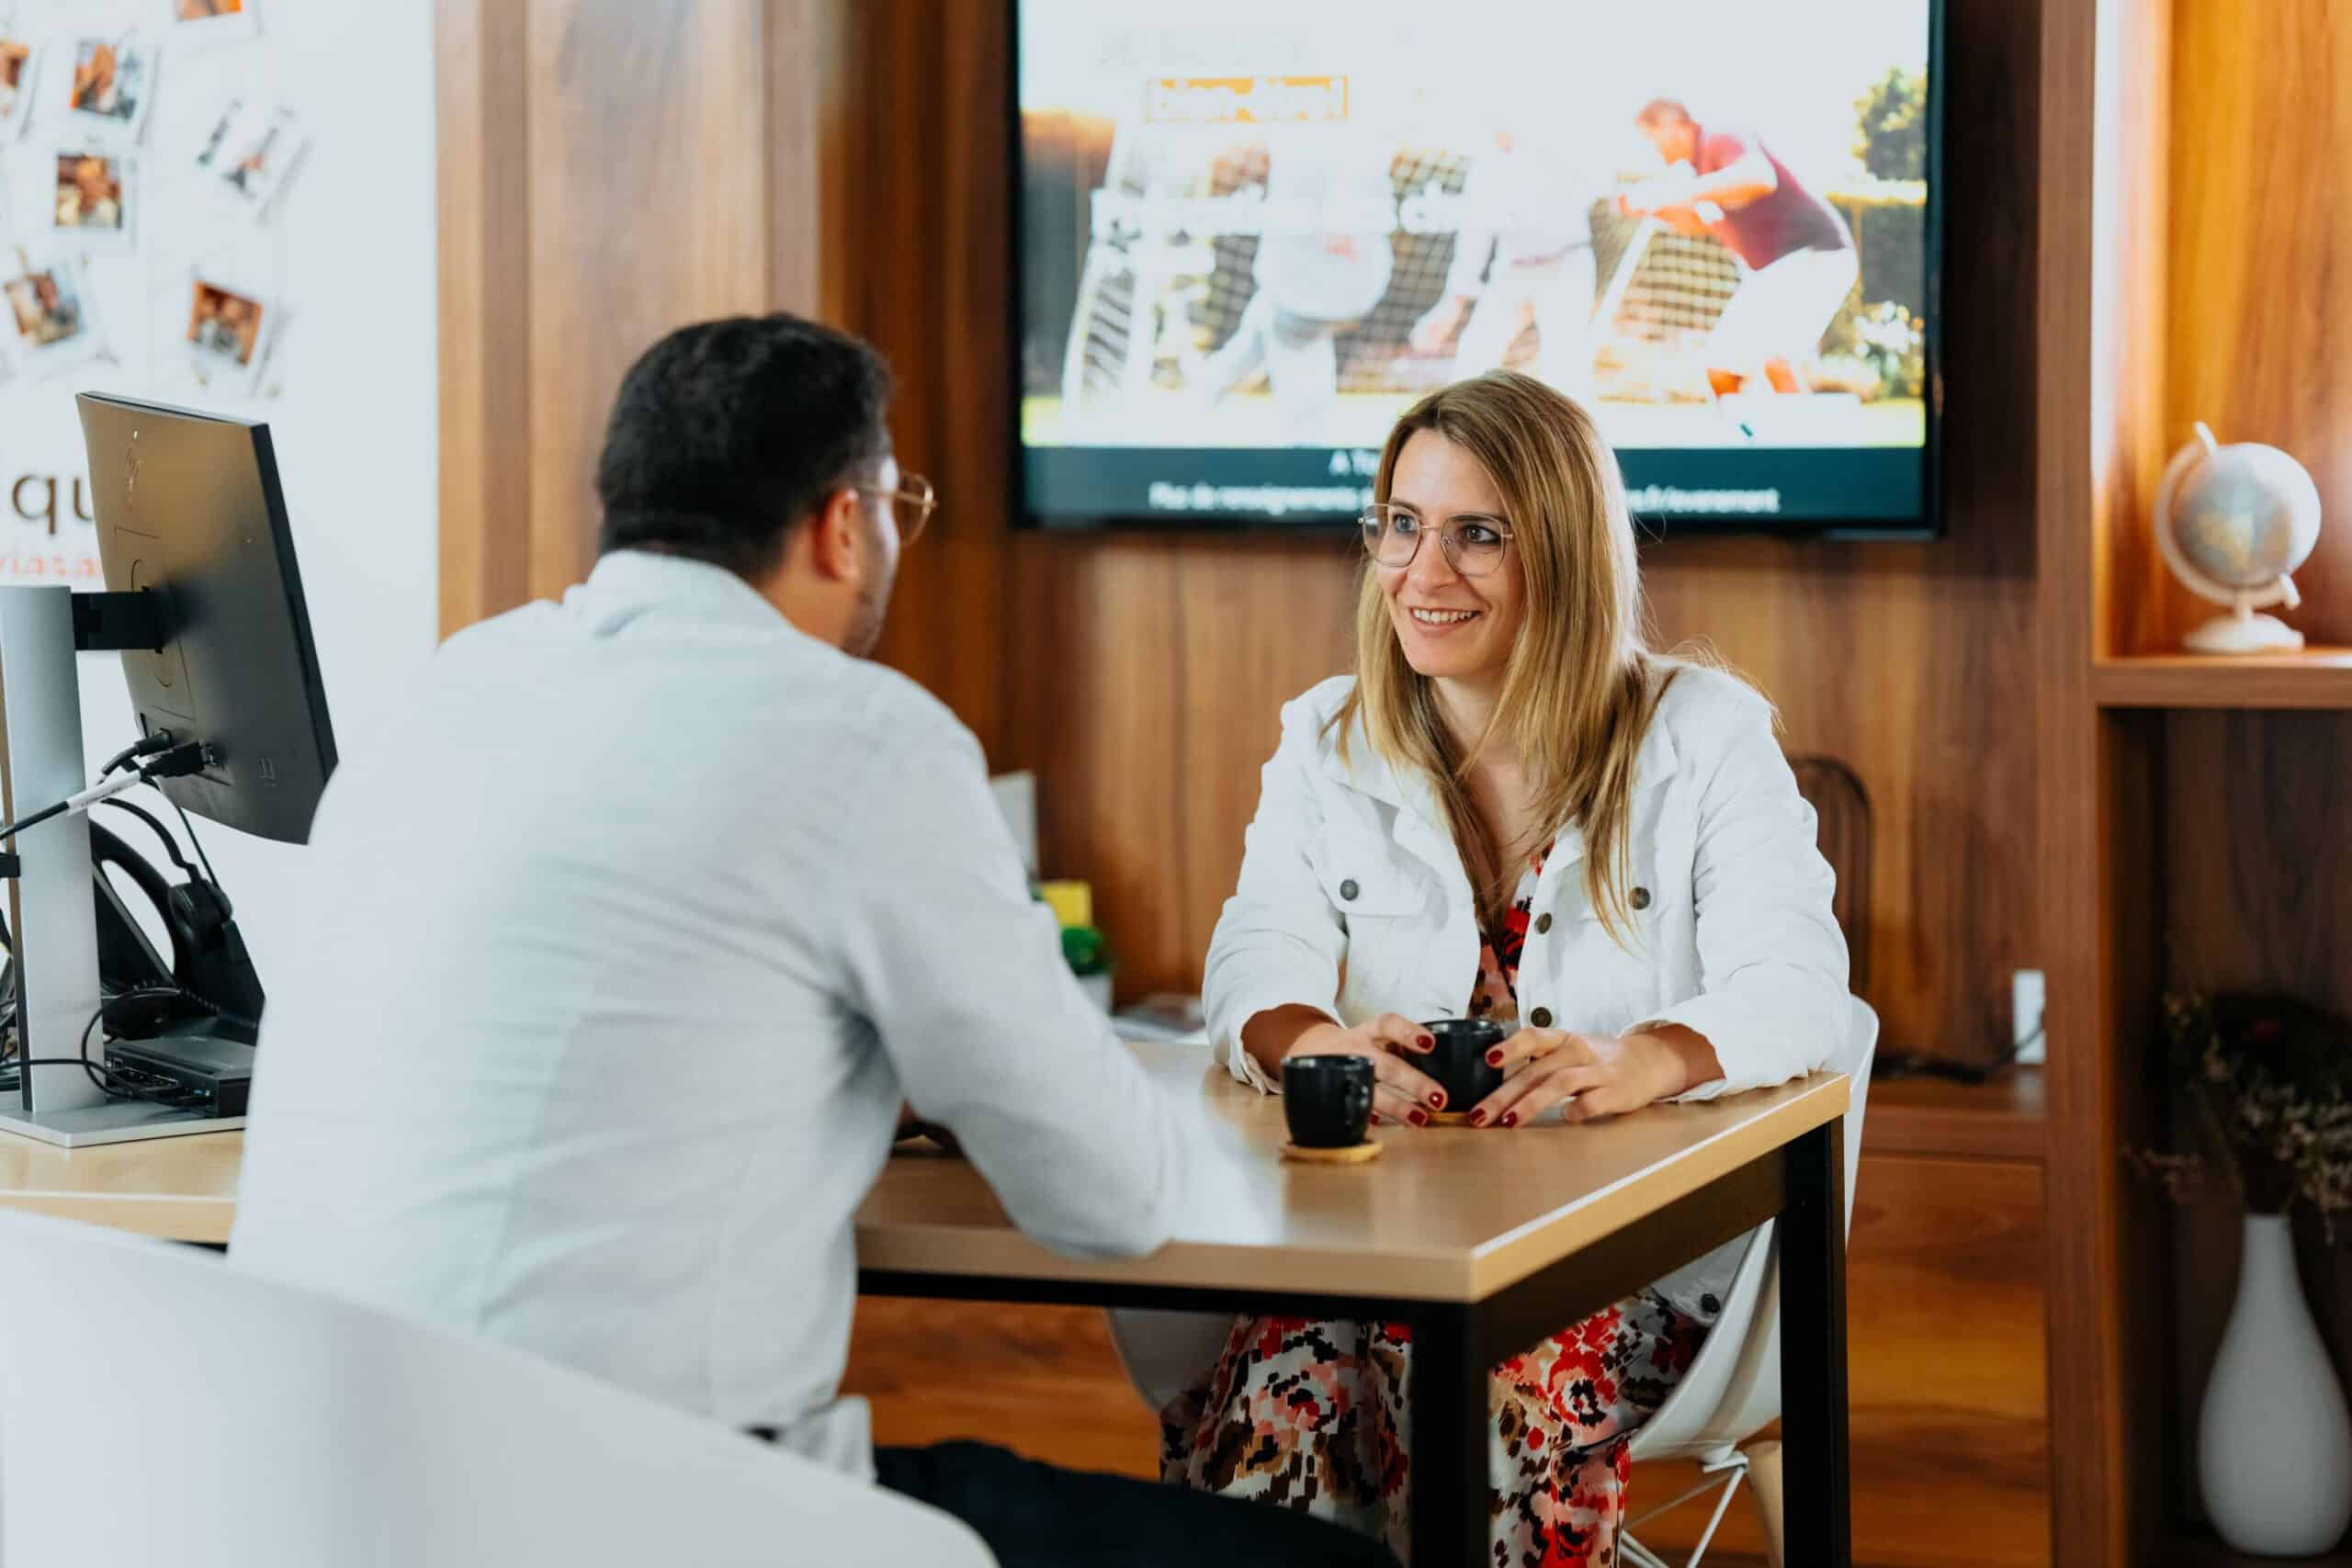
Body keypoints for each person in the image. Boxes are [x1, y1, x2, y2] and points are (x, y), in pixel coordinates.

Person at [228, 313, 1395, 1568]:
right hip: (640, 1511)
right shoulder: (860, 739)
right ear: (845, 521)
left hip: (299, 1494)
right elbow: (1115, 1196)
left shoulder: (446, 691)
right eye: (898, 505)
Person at [1150, 370, 1849, 1565]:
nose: (1423, 572)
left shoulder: (1704, 732)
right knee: (1291, 1361)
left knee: (1466, 1359)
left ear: (1565, 557)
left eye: (1477, 534)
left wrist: (1642, 1061)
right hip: (1386, 1247)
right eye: (1401, 525)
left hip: (1640, 1272)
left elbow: (1797, 985)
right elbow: (1253, 957)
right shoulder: (1325, 736)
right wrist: (1313, 1043)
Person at [1616, 97, 1859, 398]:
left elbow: (1759, 177)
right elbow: (1700, 224)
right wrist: (1652, 208)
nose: (1654, 150)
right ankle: (1744, 428)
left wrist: (1678, 193)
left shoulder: (1719, 138)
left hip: (1816, 256)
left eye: (1652, 139)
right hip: (1774, 271)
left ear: (1673, 126)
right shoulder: (1700, 174)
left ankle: (1801, 429)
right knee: (1721, 369)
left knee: (1776, 360)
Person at [1196, 125, 1396, 443]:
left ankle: (1307, 451)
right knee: (1262, 326)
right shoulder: (1316, 136)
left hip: (1311, 286)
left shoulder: (1330, 139)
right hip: (1302, 280)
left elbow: (1342, 216)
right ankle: (1206, 387)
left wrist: (1340, 218)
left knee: (1291, 349)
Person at [1409, 124, 1609, 400]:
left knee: (1565, 362)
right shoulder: (1485, 168)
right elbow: (1474, 238)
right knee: (1475, 354)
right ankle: (1458, 421)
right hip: (1512, 269)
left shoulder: (1556, 147)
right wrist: (1451, 304)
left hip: (1567, 262)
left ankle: (1574, 426)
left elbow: (1595, 186)